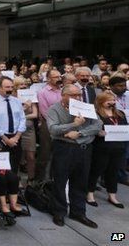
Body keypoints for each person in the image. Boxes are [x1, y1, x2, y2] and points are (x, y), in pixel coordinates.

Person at [47, 84, 101, 228]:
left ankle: (78, 212)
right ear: (63, 95)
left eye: (79, 95)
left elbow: (97, 125)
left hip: (84, 149)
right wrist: (73, 124)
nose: (77, 98)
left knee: (80, 181)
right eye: (73, 95)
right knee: (60, 180)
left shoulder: (86, 107)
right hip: (64, 149)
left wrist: (79, 133)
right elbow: (53, 129)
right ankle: (59, 212)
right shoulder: (54, 109)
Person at [86, 92, 127, 208]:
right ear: (101, 101)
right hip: (101, 147)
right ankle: (90, 194)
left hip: (118, 147)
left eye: (113, 100)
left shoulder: (120, 114)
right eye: (109, 100)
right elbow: (89, 129)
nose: (112, 102)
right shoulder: (96, 114)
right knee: (96, 170)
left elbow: (125, 127)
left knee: (113, 171)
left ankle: (112, 195)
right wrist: (97, 132)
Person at [0, 77, 26, 174]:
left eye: (11, 87)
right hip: (1, 139)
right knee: (2, 170)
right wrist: (6, 140)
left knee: (15, 166)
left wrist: (17, 137)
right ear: (0, 88)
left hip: (16, 138)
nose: (10, 89)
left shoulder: (17, 101)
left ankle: (14, 187)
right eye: (7, 87)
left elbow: (22, 119)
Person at [35, 69, 63, 181]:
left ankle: (54, 179)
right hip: (48, 125)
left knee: (59, 153)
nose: (59, 79)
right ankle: (39, 180)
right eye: (56, 77)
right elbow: (44, 111)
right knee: (45, 154)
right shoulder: (42, 92)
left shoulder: (63, 91)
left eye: (59, 76)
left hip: (63, 125)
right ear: (49, 79)